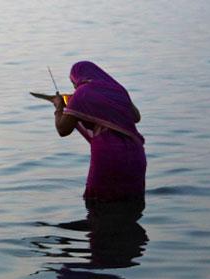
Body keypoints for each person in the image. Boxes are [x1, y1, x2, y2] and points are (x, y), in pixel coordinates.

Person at [52, 61, 145, 201]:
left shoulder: (81, 94)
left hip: (108, 156)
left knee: (98, 202)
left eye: (73, 83)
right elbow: (136, 117)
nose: (75, 87)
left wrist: (59, 107)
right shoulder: (117, 90)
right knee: (132, 201)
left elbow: (62, 130)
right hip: (135, 154)